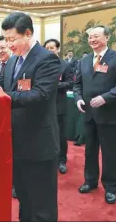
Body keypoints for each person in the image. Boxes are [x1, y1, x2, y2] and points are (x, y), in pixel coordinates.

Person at [0, 12, 61, 221]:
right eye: (5, 39)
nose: (8, 44)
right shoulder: (14, 61)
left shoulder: (47, 59)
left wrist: (4, 96)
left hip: (40, 143)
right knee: (24, 198)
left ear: (28, 33)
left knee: (42, 203)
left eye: (12, 39)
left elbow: (41, 94)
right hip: (17, 142)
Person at [73, 26, 116, 204]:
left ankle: (111, 187)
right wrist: (77, 99)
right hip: (89, 114)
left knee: (109, 153)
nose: (92, 40)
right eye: (90, 37)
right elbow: (77, 84)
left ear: (107, 37)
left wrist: (105, 98)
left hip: (109, 113)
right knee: (90, 150)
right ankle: (90, 181)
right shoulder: (84, 60)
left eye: (96, 36)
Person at [44, 38, 74, 174]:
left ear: (58, 49)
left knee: (61, 134)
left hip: (59, 104)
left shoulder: (65, 65)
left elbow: (70, 83)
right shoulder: (41, 64)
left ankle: (62, 160)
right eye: (47, 48)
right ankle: (48, 158)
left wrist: (55, 85)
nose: (50, 50)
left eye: (52, 48)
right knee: (46, 133)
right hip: (43, 105)